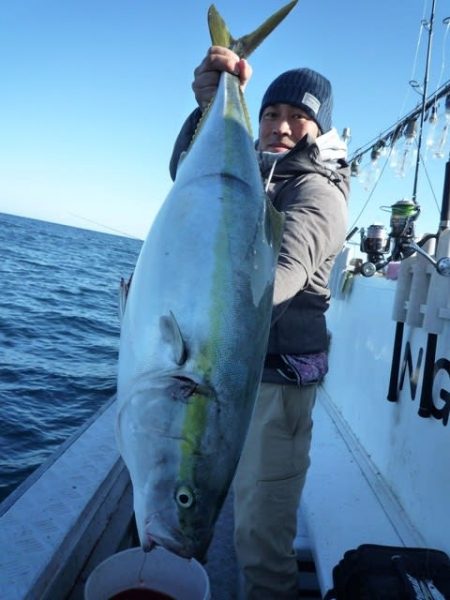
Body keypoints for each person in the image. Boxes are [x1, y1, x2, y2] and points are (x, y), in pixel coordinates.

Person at [169, 46, 350, 599]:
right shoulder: (249, 170)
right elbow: (186, 174)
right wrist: (207, 109)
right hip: (226, 377)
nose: (281, 126)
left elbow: (280, 276)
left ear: (318, 130)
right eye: (271, 113)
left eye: (300, 116)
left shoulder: (317, 192)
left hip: (275, 389)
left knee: (260, 536)